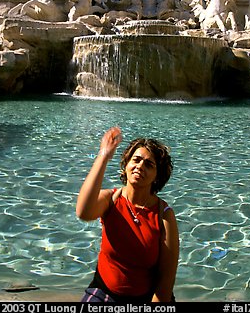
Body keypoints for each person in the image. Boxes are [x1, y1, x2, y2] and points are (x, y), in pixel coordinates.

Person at [76, 126, 179, 303]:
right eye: (136, 160)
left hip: (146, 298)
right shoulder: (111, 200)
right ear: (126, 165)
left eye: (149, 164)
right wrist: (104, 155)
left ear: (157, 175)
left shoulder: (164, 215)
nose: (140, 166)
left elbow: (165, 282)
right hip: (103, 292)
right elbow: (83, 211)